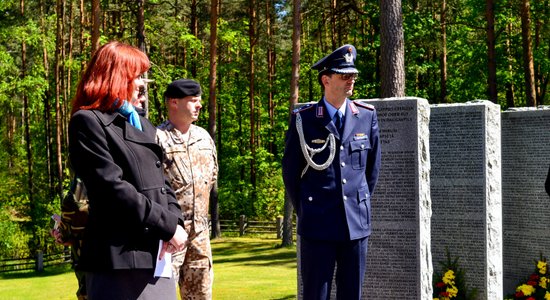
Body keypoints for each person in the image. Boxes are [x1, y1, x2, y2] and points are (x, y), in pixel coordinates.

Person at [68, 41, 187, 300]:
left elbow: (163, 181)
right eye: (136, 76)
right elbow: (112, 188)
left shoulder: (143, 125)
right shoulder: (87, 122)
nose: (143, 84)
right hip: (118, 261)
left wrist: (176, 221)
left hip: (157, 256)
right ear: (115, 77)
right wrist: (166, 226)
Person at [282, 44, 381, 300]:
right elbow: (291, 175)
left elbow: (371, 171)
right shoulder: (304, 119)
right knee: (316, 294)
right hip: (318, 223)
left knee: (352, 294)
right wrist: (307, 209)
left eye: (353, 76)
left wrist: (357, 203)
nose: (351, 81)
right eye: (344, 76)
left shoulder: (366, 116)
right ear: (326, 80)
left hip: (355, 224)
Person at [156, 79, 218, 300]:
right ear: (174, 102)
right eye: (193, 101)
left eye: (200, 101)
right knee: (162, 294)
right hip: (169, 234)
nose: (199, 105)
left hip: (200, 234)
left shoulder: (204, 138)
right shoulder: (157, 139)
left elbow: (212, 178)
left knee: (201, 294)